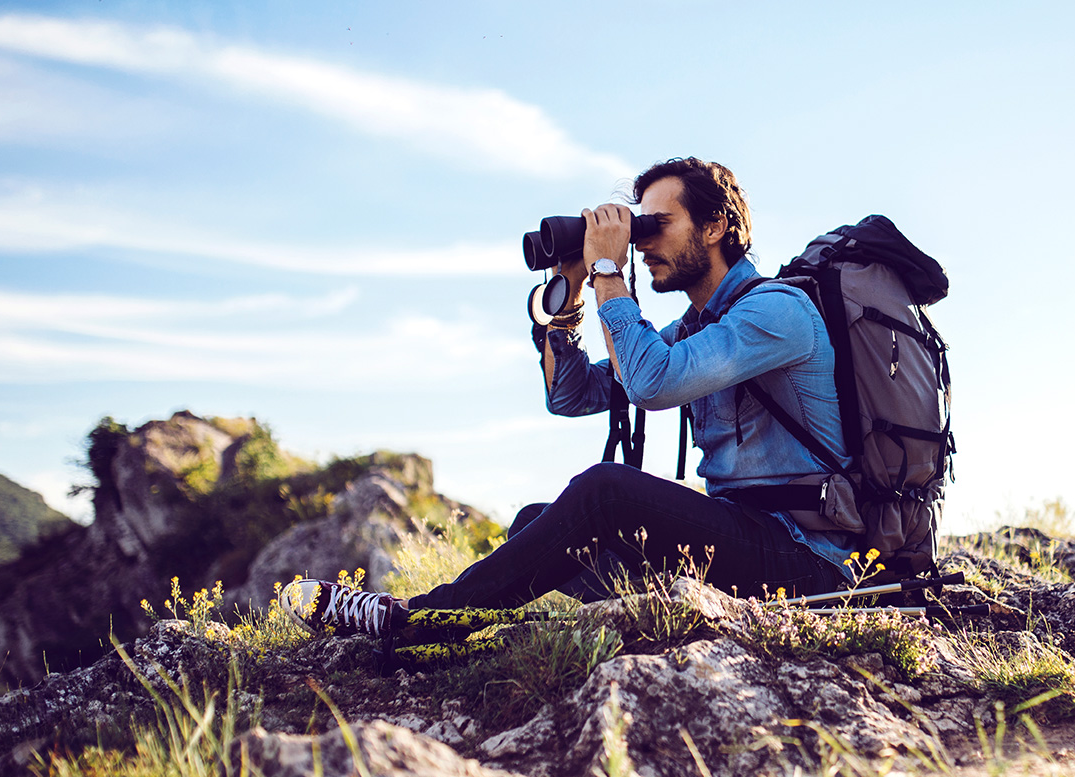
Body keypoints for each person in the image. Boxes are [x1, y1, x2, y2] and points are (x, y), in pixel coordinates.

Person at [280, 157, 857, 639]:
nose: (642, 241)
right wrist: (571, 289)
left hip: (804, 558)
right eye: (639, 227)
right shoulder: (694, 330)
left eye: (657, 224)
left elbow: (653, 383)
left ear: (714, 227)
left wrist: (609, 265)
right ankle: (657, 619)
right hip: (739, 548)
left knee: (603, 490)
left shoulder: (776, 311)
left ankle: (422, 620)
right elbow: (572, 395)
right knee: (538, 525)